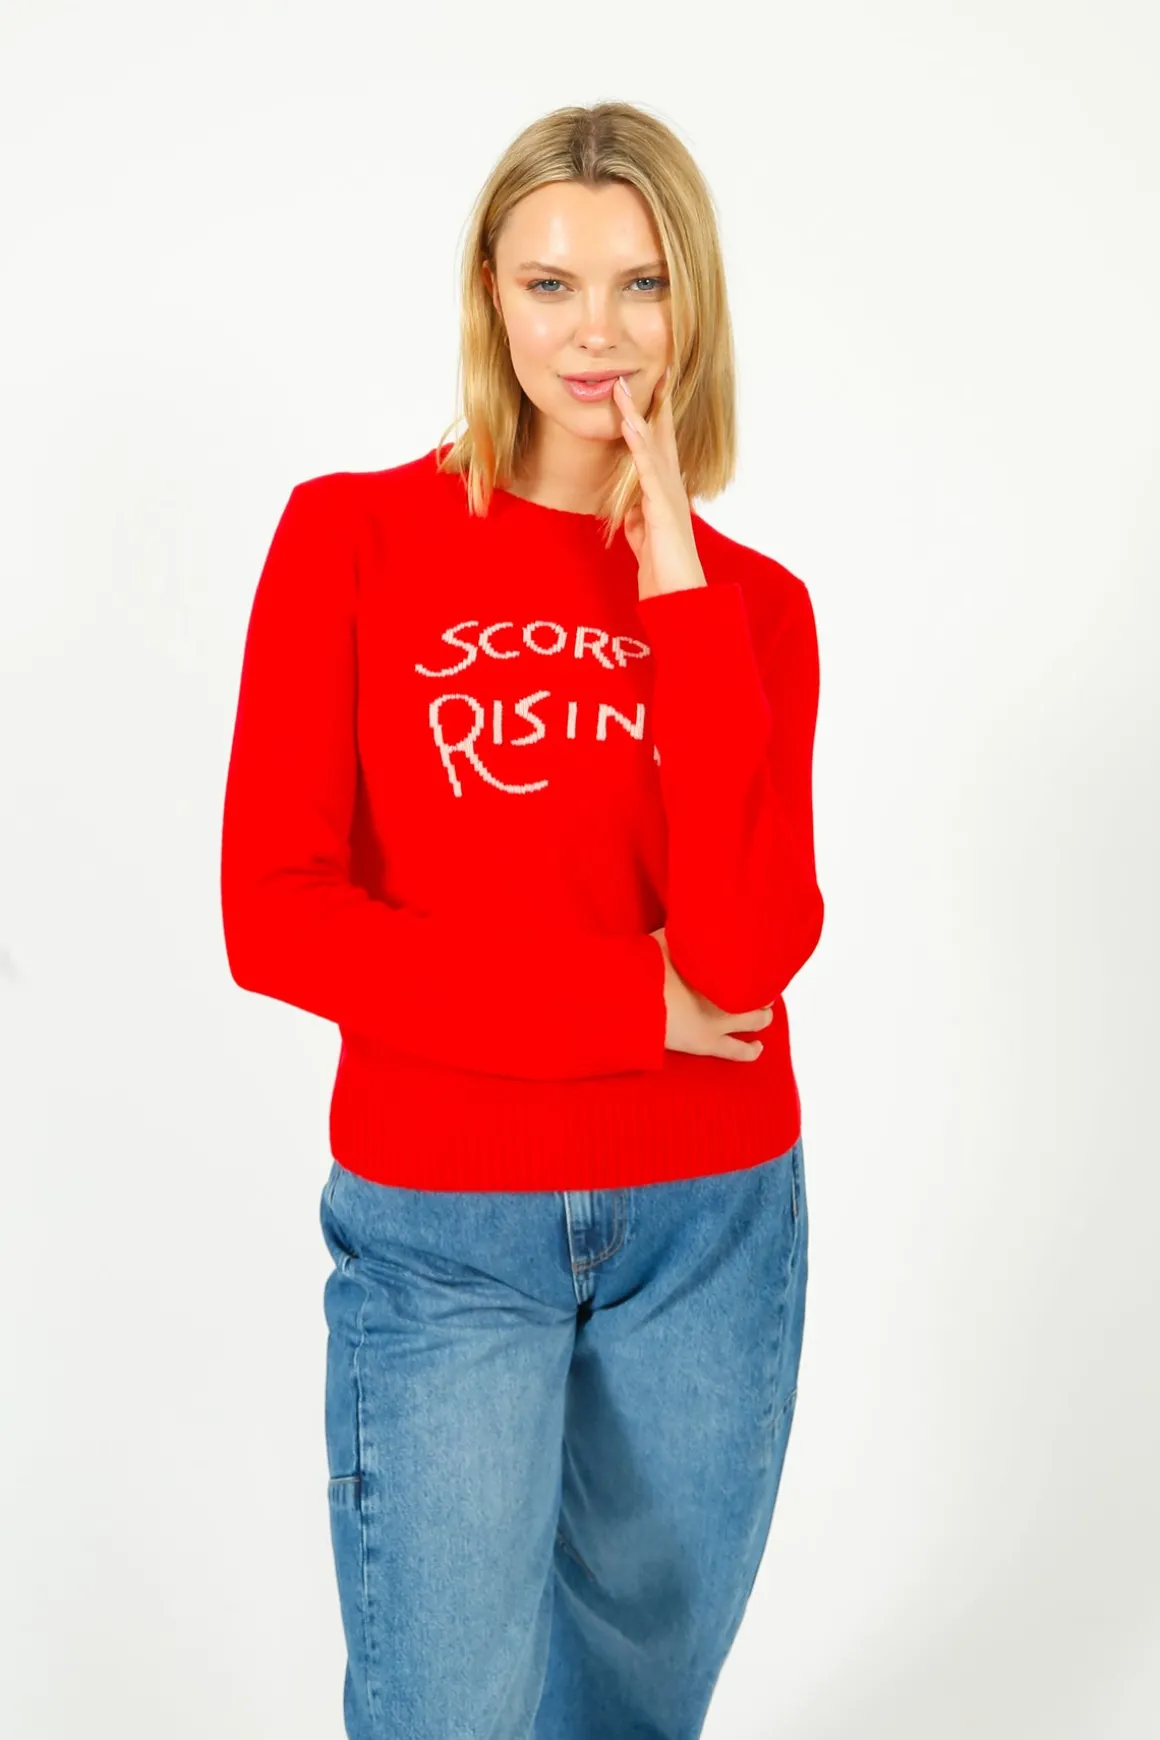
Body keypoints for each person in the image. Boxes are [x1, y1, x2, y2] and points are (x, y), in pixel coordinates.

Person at [220, 99, 824, 1740]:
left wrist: (675, 581)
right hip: (445, 1225)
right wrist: (624, 1005)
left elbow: (744, 961)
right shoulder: (350, 537)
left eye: (642, 284)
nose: (596, 332)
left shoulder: (757, 610)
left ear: (693, 300)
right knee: (445, 1708)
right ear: (490, 291)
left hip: (709, 1225)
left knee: (633, 1708)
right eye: (552, 283)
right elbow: (277, 919)